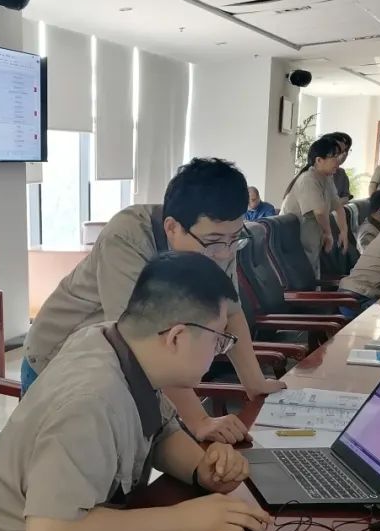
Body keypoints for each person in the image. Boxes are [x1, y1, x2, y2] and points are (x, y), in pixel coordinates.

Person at [0, 253, 272, 531]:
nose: (219, 352)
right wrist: (186, 519)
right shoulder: (91, 399)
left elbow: (158, 431)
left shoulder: (120, 344)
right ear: (177, 337)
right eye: (218, 340)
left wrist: (202, 470)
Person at [22, 158, 286, 445]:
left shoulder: (218, 244)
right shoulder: (128, 237)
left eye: (234, 238)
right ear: (172, 228)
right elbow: (141, 343)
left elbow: (230, 310)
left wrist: (254, 383)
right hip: (59, 357)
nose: (224, 253)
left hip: (119, 366)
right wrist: (199, 420)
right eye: (214, 241)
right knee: (74, 457)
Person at [280, 136, 349, 276]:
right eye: (334, 157)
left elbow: (338, 206)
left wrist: (344, 232)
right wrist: (328, 234)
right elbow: (319, 212)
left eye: (339, 156)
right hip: (295, 245)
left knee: (314, 277)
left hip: (311, 243)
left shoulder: (327, 178)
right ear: (319, 160)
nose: (338, 161)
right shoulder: (308, 179)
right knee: (306, 280)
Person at [324, 132, 354, 202]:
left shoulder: (341, 173)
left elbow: (346, 198)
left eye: (346, 150)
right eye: (340, 150)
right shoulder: (311, 175)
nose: (344, 154)